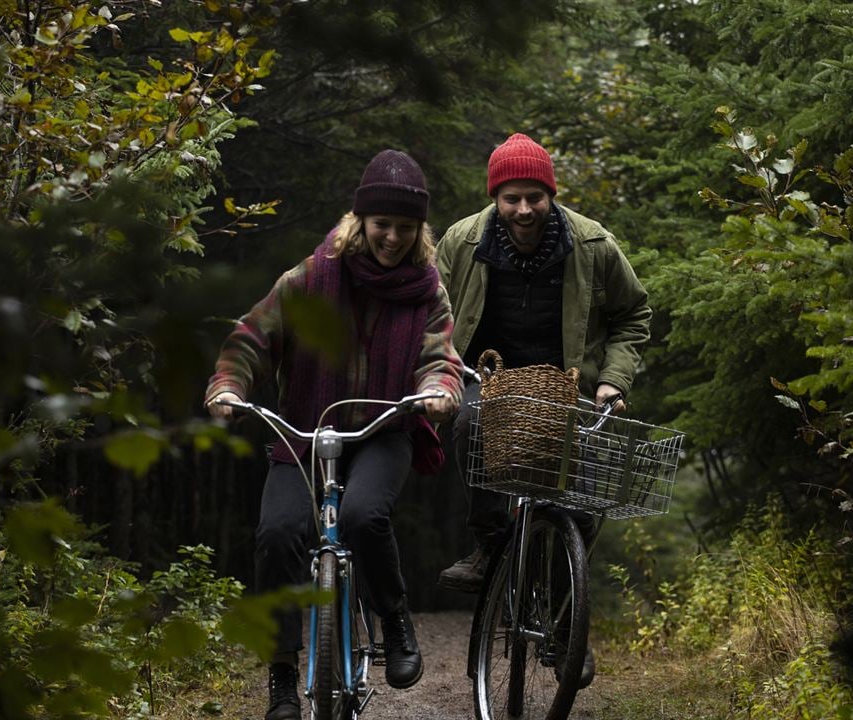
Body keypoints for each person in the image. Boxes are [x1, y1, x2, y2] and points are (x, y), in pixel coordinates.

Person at [205, 150, 463, 720]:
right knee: (278, 532)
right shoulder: (311, 276)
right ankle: (280, 678)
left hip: (383, 430)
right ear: (360, 222)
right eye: (381, 225)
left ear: (419, 230)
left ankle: (393, 621)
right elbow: (251, 337)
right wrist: (228, 385)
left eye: (404, 227)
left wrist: (441, 389)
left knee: (363, 517)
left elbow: (439, 355)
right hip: (306, 431)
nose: (391, 237)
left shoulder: (426, 290)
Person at [434, 132, 651, 684]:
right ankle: (488, 546)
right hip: (489, 376)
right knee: (469, 421)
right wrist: (441, 370)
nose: (524, 209)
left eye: (535, 197)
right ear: (496, 198)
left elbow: (633, 314)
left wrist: (612, 382)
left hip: (567, 382)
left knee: (579, 504)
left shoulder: (594, 245)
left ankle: (562, 620)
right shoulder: (462, 242)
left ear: (551, 194)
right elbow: (429, 314)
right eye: (512, 198)